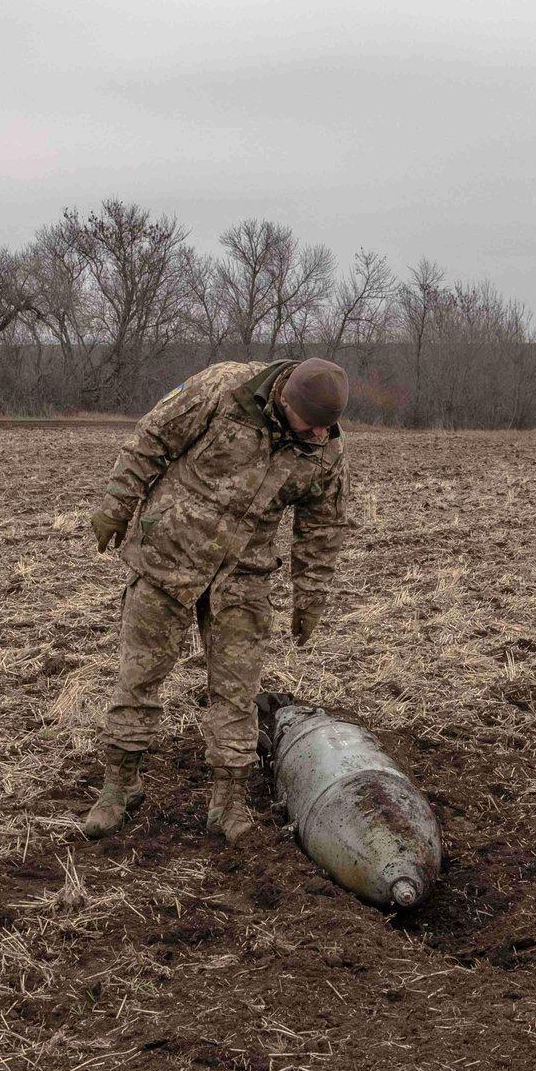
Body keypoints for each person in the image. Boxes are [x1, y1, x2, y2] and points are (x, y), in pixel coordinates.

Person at [81, 357, 349, 842]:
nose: (306, 432)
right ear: (284, 393)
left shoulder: (323, 449)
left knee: (236, 693)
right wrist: (115, 506)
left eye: (316, 427)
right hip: (168, 556)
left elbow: (323, 527)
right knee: (139, 676)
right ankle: (119, 787)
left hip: (243, 576)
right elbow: (152, 439)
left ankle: (228, 804)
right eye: (301, 421)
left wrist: (310, 597)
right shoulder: (225, 389)